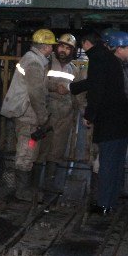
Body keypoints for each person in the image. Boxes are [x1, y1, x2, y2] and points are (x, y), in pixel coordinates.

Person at [70, 31, 128, 215]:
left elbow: (97, 89)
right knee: (116, 163)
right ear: (116, 48)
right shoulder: (117, 64)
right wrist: (74, 87)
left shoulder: (102, 60)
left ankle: (103, 205)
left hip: (111, 121)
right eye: (127, 48)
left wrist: (89, 115)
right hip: (123, 122)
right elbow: (98, 83)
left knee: (108, 164)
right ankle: (111, 202)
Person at [0, 29, 54, 201]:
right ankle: (21, 191)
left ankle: (22, 190)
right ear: (45, 47)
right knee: (26, 150)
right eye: (51, 46)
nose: (52, 49)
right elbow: (36, 94)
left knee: (26, 148)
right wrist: (43, 116)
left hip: (25, 113)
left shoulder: (31, 58)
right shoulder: (35, 63)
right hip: (28, 114)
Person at [39, 33, 82, 194]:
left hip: (64, 116)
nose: (64, 50)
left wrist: (83, 113)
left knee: (57, 151)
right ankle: (35, 184)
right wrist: (54, 87)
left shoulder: (74, 70)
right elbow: (37, 84)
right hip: (46, 113)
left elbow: (78, 94)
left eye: (68, 48)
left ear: (73, 51)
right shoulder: (47, 63)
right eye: (62, 46)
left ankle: (49, 184)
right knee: (40, 149)